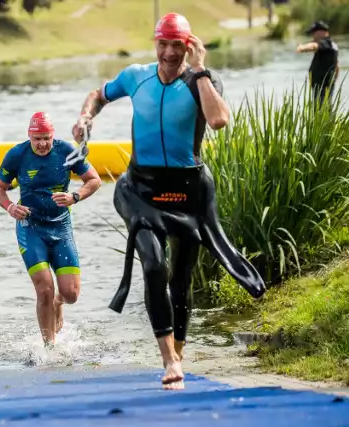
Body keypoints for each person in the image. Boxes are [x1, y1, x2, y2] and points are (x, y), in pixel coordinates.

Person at [71, 13, 266, 390]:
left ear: (189, 46)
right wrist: (85, 117)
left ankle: (178, 350)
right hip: (140, 189)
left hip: (188, 192)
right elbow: (99, 94)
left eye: (177, 45)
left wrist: (201, 69)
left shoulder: (200, 82)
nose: (168, 52)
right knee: (154, 267)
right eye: (163, 44)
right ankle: (169, 360)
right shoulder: (135, 76)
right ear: (155, 43)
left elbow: (219, 120)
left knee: (181, 277)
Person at [0, 112, 101, 346]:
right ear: (29, 137)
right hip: (30, 227)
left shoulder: (67, 152)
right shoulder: (16, 154)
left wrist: (74, 196)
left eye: (46, 138)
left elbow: (94, 180)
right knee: (44, 289)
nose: (42, 144)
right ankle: (49, 348)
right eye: (37, 139)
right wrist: (11, 207)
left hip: (61, 227)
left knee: (70, 294)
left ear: (53, 136)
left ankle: (58, 303)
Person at [296, 20, 339, 107]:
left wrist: (302, 47)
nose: (313, 36)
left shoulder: (325, 42)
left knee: (321, 110)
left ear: (321, 32)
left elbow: (314, 46)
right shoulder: (332, 45)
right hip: (325, 85)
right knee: (325, 109)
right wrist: (333, 81)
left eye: (313, 33)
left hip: (322, 86)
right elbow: (337, 65)